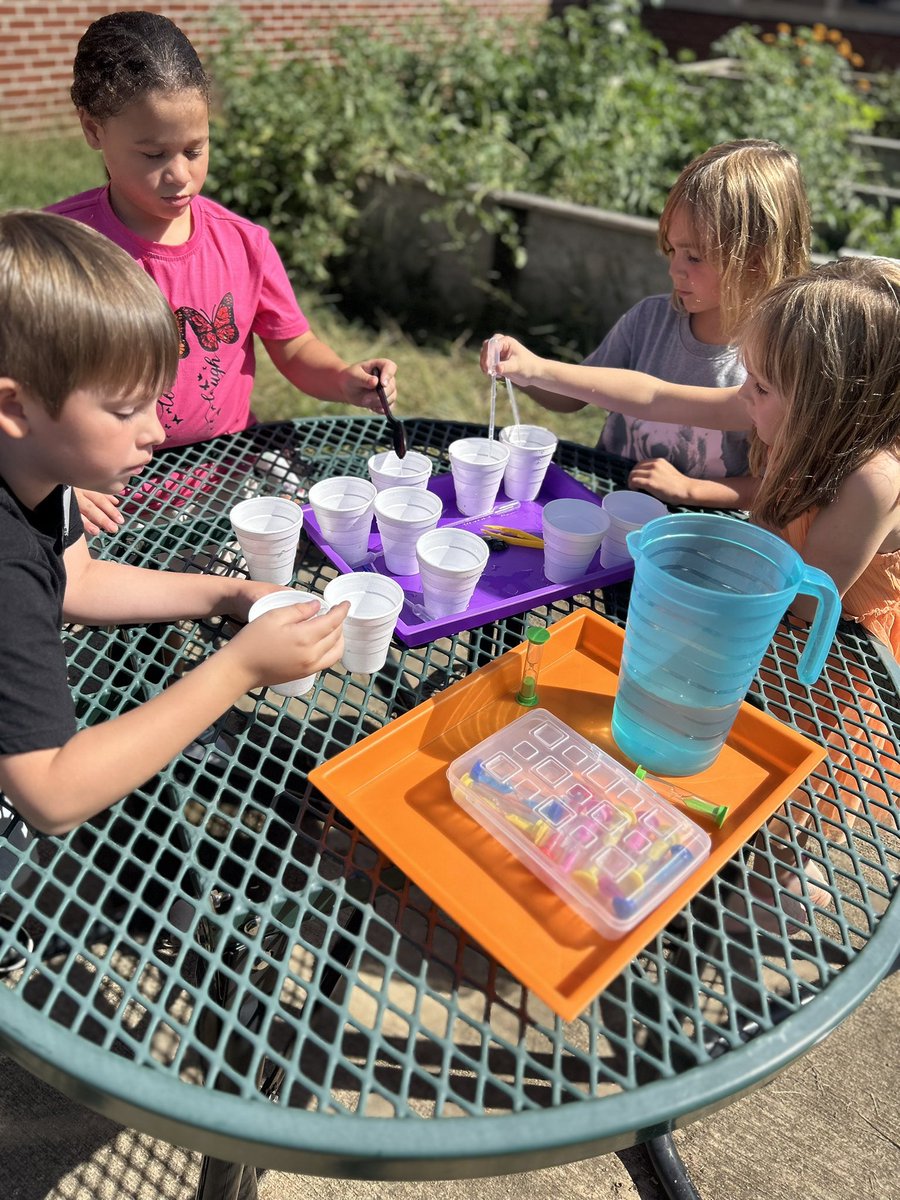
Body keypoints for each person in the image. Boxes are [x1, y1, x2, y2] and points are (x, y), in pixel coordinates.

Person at [483, 255, 900, 928]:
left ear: (828, 403)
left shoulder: (871, 482)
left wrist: (767, 484)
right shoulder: (786, 411)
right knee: (721, 765)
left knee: (798, 805)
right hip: (762, 650)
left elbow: (795, 602)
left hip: (835, 670)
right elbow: (652, 395)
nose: (744, 396)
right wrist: (539, 370)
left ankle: (778, 889)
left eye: (760, 387)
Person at [0, 209, 349, 836]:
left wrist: (228, 593)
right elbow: (51, 794)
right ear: (15, 407)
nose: (157, 432)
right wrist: (241, 667)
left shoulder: (36, 465)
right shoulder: (6, 561)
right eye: (126, 410)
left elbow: (77, 580)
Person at [48, 10, 398, 536]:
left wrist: (344, 380)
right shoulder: (59, 247)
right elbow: (21, 383)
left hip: (225, 477)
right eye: (153, 154)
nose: (180, 175)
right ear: (93, 129)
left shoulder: (243, 244)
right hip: (106, 496)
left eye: (195, 150)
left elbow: (294, 347)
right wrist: (57, 479)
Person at [525, 139, 811, 510]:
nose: (675, 269)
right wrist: (524, 371)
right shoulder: (649, 321)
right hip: (607, 502)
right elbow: (572, 395)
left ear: (755, 259)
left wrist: (691, 489)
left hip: (694, 532)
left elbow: (775, 486)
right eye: (673, 250)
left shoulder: (776, 362)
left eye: (694, 257)